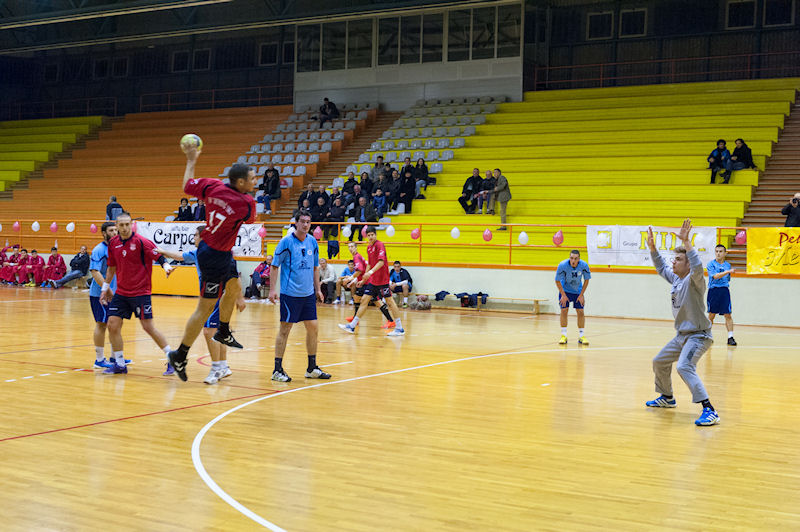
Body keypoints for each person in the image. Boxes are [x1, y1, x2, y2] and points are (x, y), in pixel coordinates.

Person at [167, 153, 257, 383]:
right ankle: (180, 354)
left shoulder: (213, 186)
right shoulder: (247, 203)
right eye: (252, 179)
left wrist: (191, 161)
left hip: (220, 251)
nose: (255, 182)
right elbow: (249, 220)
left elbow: (188, 185)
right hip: (213, 256)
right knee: (204, 309)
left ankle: (224, 330)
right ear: (240, 182)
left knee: (234, 287)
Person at [645, 219, 719, 426]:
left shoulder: (694, 280)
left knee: (684, 366)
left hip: (698, 336)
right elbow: (661, 267)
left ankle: (710, 409)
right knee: (659, 361)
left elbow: (697, 266)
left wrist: (687, 242)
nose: (673, 262)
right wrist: (653, 249)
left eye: (678, 259)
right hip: (681, 336)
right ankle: (667, 397)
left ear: (688, 265)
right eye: (674, 259)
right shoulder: (677, 279)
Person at [159, 225, 246, 384]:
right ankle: (223, 366)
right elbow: (180, 256)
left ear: (203, 237)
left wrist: (239, 297)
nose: (193, 238)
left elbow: (235, 275)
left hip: (220, 296)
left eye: (196, 235)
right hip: (209, 297)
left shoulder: (220, 252)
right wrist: (162, 252)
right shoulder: (197, 253)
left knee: (208, 331)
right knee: (217, 332)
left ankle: (216, 368)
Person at [99, 212, 175, 375]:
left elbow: (159, 256)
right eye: (121, 225)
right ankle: (120, 364)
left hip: (141, 292)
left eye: (127, 224)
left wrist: (166, 267)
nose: (125, 228)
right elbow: (111, 268)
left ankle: (173, 358)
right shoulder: (113, 243)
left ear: (131, 224)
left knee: (148, 327)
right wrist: (104, 288)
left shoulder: (141, 241)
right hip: (121, 292)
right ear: (117, 226)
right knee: (112, 324)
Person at [268, 209, 332, 382]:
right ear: (296, 223)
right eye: (302, 221)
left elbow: (315, 268)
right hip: (290, 294)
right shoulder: (286, 242)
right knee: (285, 329)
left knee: (313, 327)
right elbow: (274, 266)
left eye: (308, 222)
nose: (305, 225)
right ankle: (277, 370)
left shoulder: (312, 242)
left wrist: (317, 289)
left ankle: (311, 368)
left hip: (308, 295)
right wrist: (272, 290)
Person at [339, 225, 405, 336]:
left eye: (372, 235)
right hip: (373, 281)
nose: (370, 237)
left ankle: (399, 328)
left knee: (389, 301)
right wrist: (364, 279)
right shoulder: (369, 248)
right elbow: (369, 264)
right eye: (368, 235)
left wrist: (369, 273)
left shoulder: (380, 245)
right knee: (364, 300)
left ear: (375, 235)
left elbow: (381, 262)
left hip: (382, 279)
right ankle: (352, 326)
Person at [88, 222, 122, 370]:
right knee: (101, 324)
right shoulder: (99, 250)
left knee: (116, 324)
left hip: (116, 293)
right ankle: (99, 359)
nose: (115, 232)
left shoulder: (118, 248)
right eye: (111, 230)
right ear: (104, 233)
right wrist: (106, 289)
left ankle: (116, 357)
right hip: (100, 294)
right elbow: (94, 271)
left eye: (116, 230)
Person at [555, 250, 591, 345]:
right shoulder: (562, 265)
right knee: (564, 310)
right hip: (565, 291)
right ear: (569, 258)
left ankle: (581, 336)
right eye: (571, 258)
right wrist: (563, 295)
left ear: (579, 259)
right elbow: (557, 281)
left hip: (577, 291)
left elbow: (587, 280)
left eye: (575, 258)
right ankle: (563, 336)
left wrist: (581, 295)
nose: (573, 261)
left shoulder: (584, 265)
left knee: (580, 311)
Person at [707, 244, 737, 346]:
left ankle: (730, 337)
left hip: (724, 291)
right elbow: (715, 276)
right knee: (711, 315)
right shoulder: (711, 264)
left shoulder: (727, 265)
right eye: (716, 251)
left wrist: (727, 271)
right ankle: (707, 335)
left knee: (728, 314)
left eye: (720, 251)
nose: (718, 253)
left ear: (725, 253)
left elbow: (728, 279)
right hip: (714, 291)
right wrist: (727, 271)